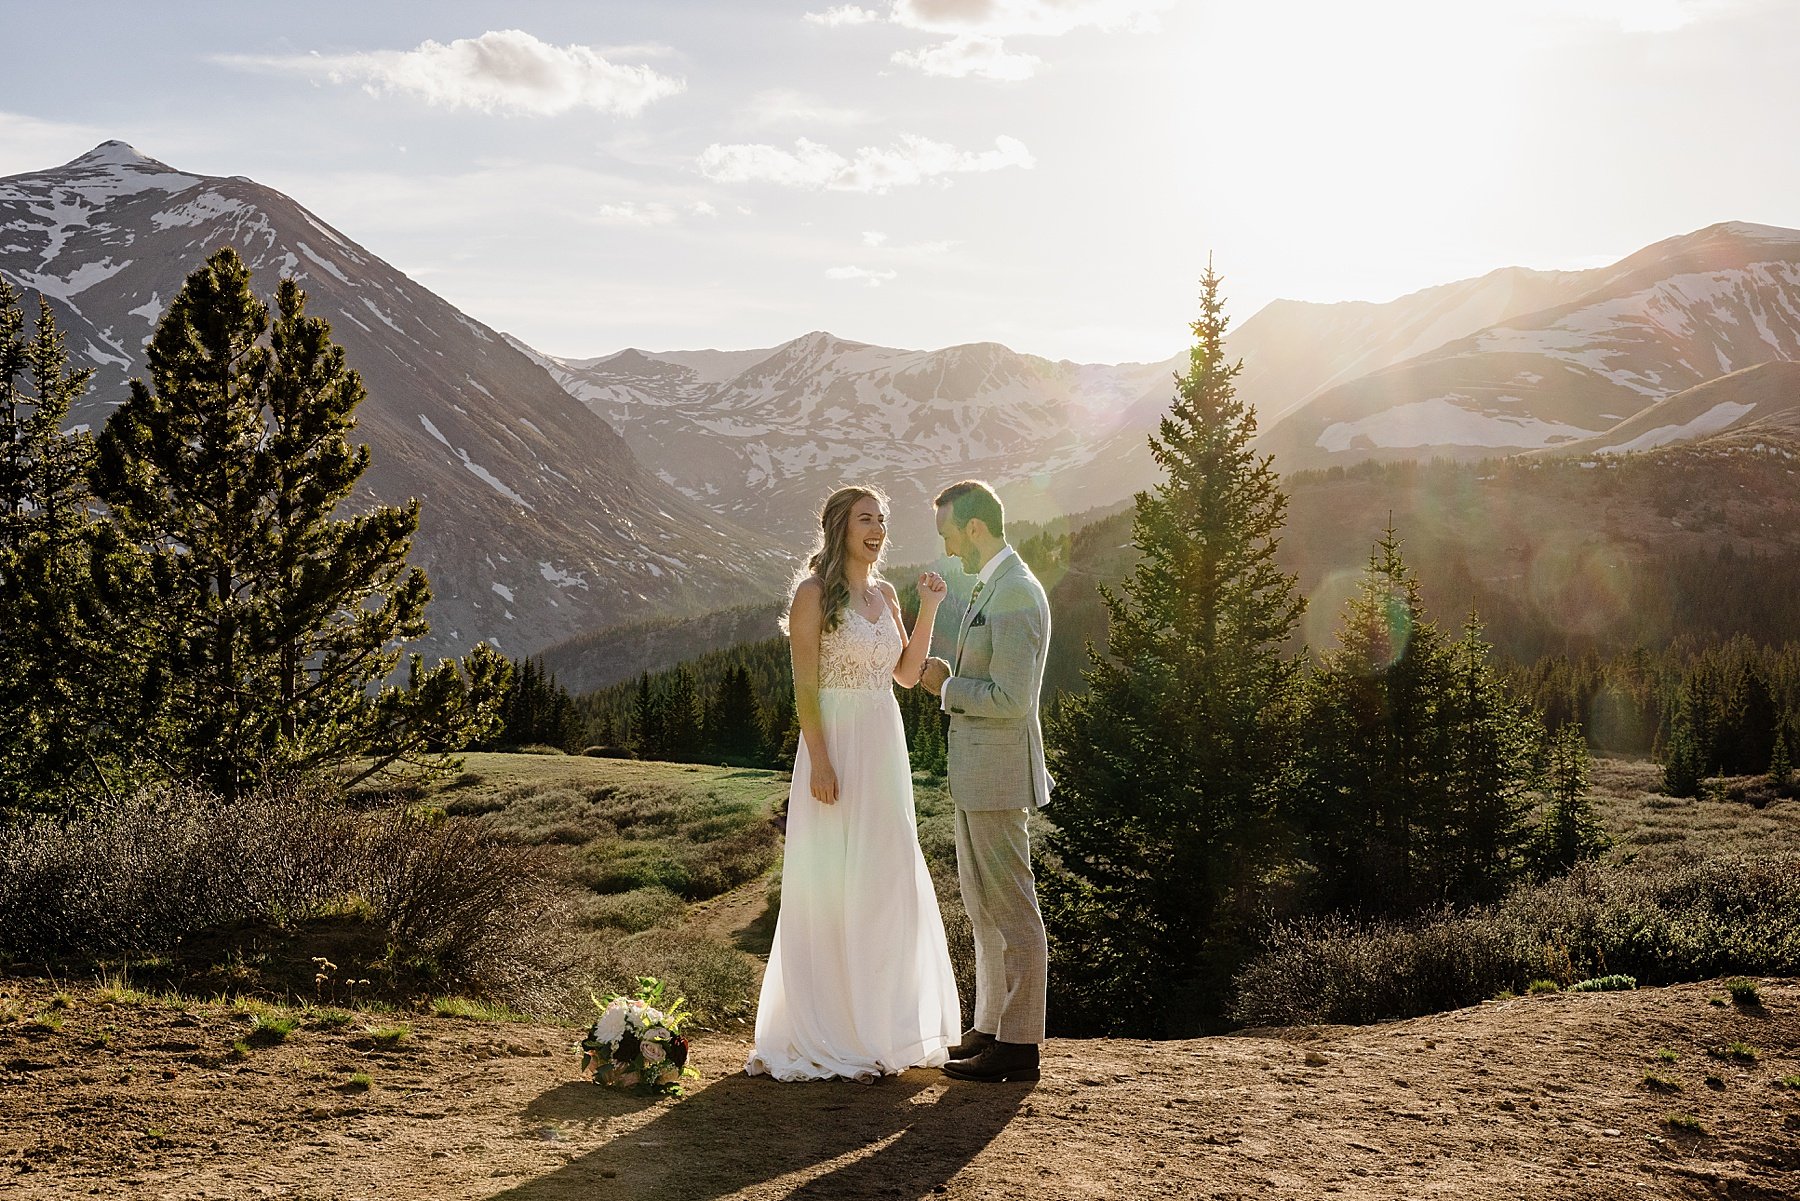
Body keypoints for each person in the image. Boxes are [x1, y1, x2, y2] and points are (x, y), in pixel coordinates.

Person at [745, 485, 962, 1082]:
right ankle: (831, 1029)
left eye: (882, 520)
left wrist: (929, 608)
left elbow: (908, 673)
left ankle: (881, 1028)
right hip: (835, 743)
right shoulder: (813, 594)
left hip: (883, 743)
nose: (877, 529)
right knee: (833, 881)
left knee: (885, 875)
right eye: (866, 519)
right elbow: (804, 686)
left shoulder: (887, 593)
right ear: (840, 527)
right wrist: (819, 760)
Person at [919, 480, 1051, 1084]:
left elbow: (1011, 699)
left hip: (998, 774)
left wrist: (944, 689)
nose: (949, 550)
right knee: (982, 905)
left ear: (975, 528)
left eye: (950, 535)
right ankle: (991, 1027)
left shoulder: (1017, 591)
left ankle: (1021, 1044)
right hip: (979, 776)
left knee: (1012, 908)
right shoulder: (994, 584)